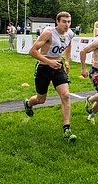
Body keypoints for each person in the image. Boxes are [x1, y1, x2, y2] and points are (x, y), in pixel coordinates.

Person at [23, 11, 77, 142]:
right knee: (41, 99)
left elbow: (69, 45)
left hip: (58, 66)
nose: (67, 24)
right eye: (64, 22)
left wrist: (67, 60)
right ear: (57, 22)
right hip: (44, 67)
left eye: (69, 22)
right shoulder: (49, 33)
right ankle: (29, 103)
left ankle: (66, 129)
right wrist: (49, 62)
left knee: (65, 95)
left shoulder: (70, 33)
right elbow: (32, 51)